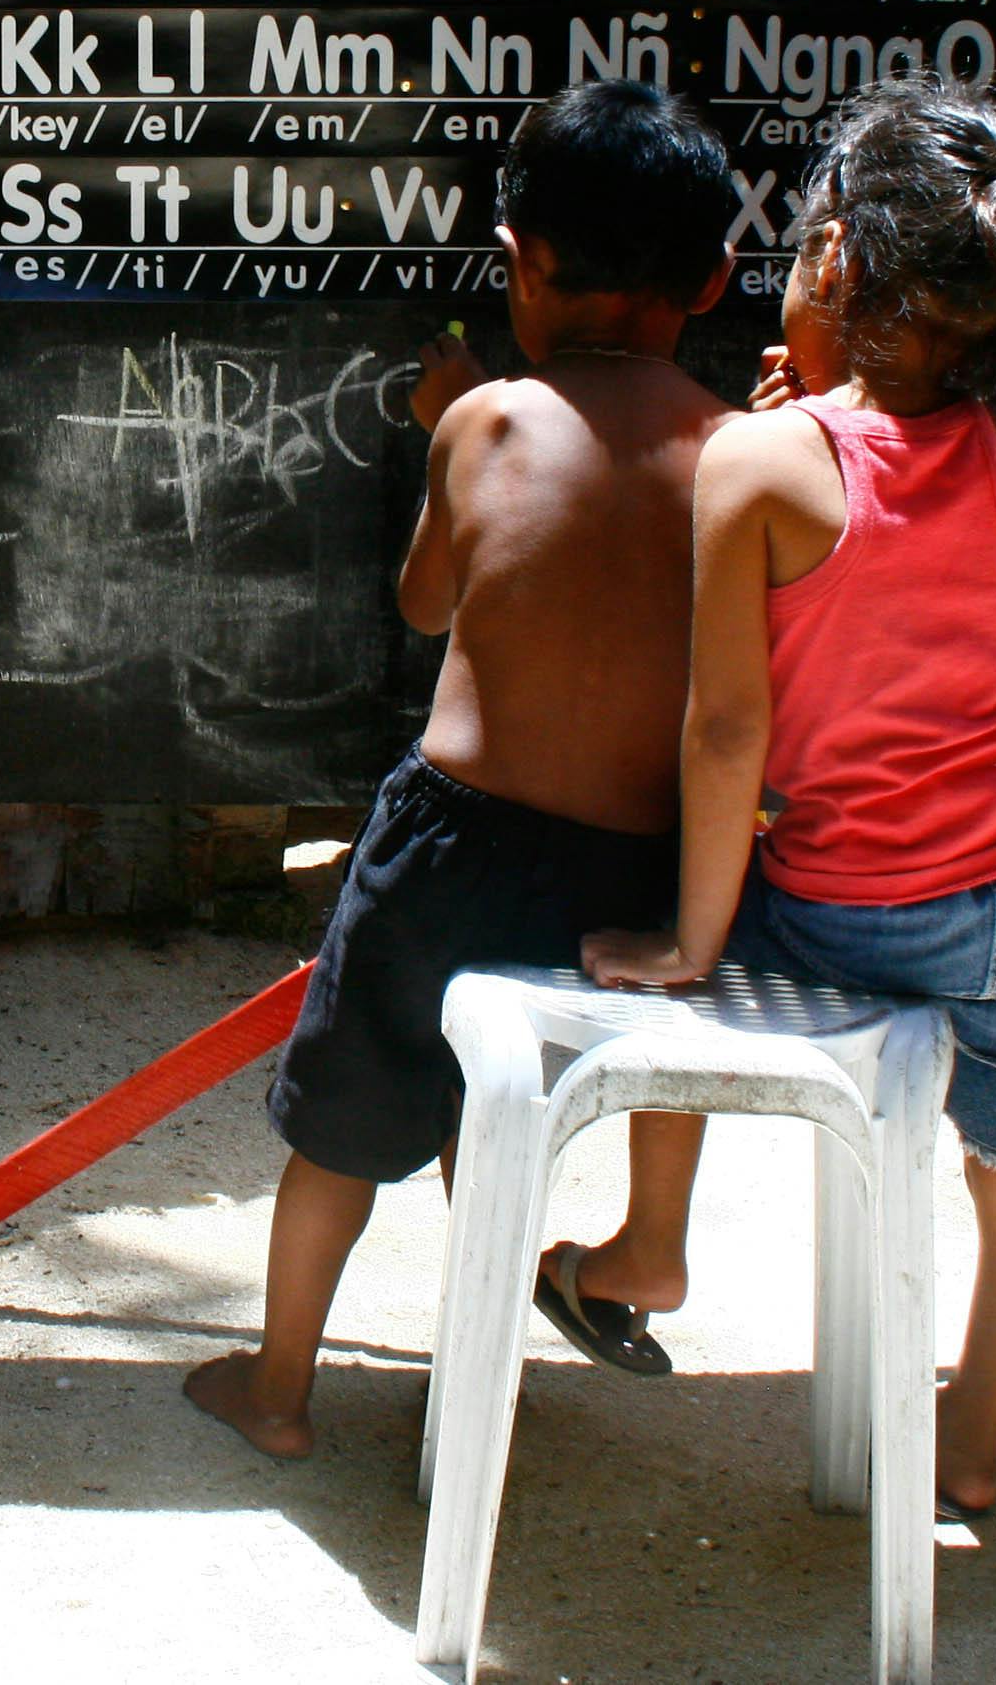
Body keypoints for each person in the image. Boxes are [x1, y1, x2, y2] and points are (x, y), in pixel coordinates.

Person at [183, 78, 738, 1458]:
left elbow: (429, 605)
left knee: (344, 1128)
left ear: (521, 265)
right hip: (634, 866)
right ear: (718, 279)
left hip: (454, 849)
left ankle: (281, 1392)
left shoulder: (486, 424)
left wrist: (452, 419)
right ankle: (481, 1384)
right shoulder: (742, 454)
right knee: (505, 1126)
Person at [576, 80, 996, 1524]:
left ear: (838, 265)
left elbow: (729, 724)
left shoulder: (758, 463)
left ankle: (646, 1246)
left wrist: (692, 936)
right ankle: (976, 1432)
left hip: (847, 908)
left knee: (691, 970)